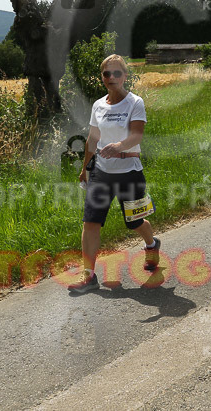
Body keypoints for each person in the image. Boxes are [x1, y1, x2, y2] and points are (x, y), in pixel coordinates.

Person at [70, 55, 158, 293]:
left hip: (129, 171)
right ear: (102, 77)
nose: (111, 78)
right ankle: (88, 275)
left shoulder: (135, 102)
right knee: (91, 222)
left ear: (125, 76)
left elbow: (137, 136)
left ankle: (151, 244)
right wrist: (85, 168)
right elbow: (93, 139)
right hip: (101, 173)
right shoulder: (98, 105)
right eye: (106, 74)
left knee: (135, 222)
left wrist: (118, 146)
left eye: (116, 73)